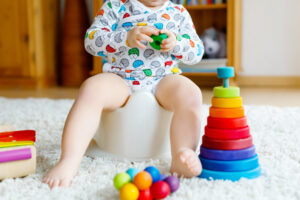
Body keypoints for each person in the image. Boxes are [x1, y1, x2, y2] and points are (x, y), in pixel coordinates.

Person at [43, 0, 204, 189]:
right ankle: (69, 160)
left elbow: (197, 52)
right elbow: (92, 41)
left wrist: (177, 43)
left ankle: (182, 153)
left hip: (164, 79)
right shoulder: (116, 6)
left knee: (191, 93)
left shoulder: (179, 13)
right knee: (91, 89)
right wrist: (125, 37)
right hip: (120, 78)